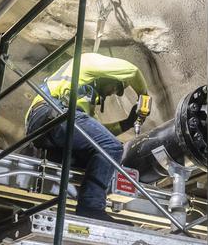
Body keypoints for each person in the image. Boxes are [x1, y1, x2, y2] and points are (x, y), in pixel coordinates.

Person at [26, 53, 150, 222]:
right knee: (113, 148)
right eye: (116, 87)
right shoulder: (86, 62)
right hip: (51, 114)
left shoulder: (85, 98)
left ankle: (79, 206)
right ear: (108, 76)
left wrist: (127, 124)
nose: (114, 92)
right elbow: (133, 71)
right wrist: (144, 95)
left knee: (100, 157)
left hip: (49, 126)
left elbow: (96, 137)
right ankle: (91, 207)